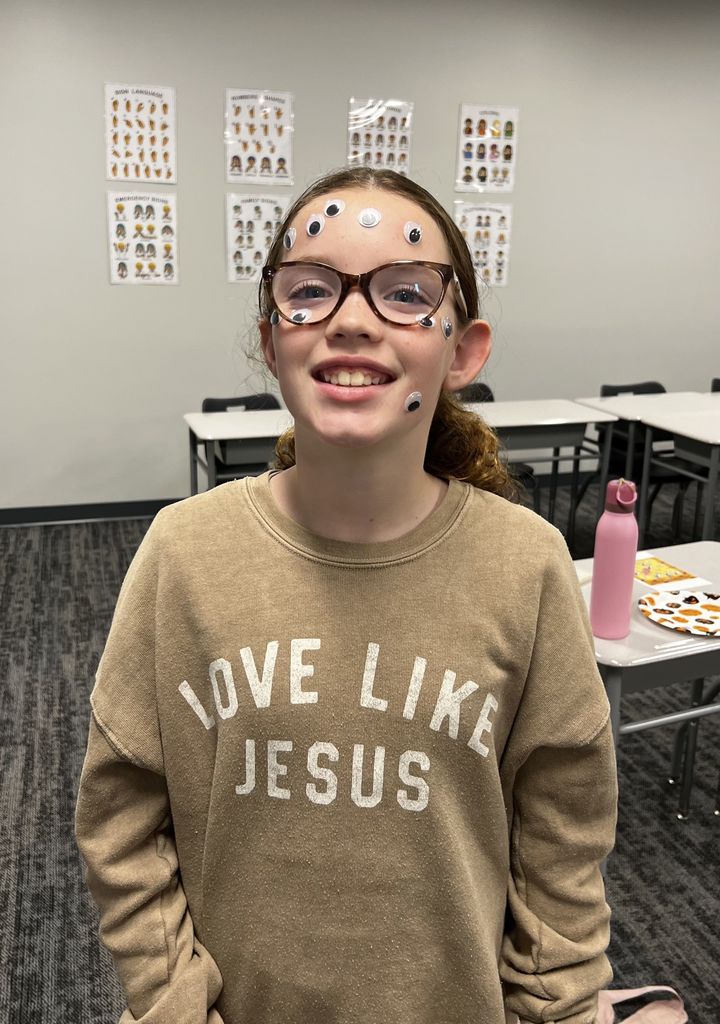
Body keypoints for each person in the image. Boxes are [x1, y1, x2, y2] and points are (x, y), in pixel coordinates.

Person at [75, 166, 617, 1024]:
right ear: (271, 339)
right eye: (310, 292)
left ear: (462, 351)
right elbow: (120, 819)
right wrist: (172, 1004)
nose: (352, 321)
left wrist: (554, 1008)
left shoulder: (528, 564)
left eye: (406, 294)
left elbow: (564, 833)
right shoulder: (183, 554)